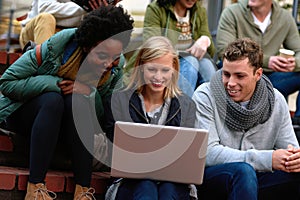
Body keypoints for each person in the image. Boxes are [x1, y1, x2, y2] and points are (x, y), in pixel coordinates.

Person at [0, 5, 133, 200]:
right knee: (53, 100)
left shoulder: (116, 69)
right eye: (102, 56)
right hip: (30, 114)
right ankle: (35, 187)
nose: (108, 64)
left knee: (76, 100)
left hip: (70, 128)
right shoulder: (57, 46)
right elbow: (7, 81)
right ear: (86, 46)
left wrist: (89, 92)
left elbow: (105, 116)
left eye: (114, 57)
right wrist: (55, 84)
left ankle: (82, 191)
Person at [193, 37, 300, 200]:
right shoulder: (205, 96)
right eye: (226, 74)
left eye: (239, 76)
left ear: (258, 74)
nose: (230, 83)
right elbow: (208, 153)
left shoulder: (276, 100)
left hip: (258, 180)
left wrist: (294, 159)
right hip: (215, 179)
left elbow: (290, 149)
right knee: (243, 171)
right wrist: (268, 159)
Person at [103, 36, 197, 200]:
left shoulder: (187, 106)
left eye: (165, 70)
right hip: (129, 182)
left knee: (168, 189)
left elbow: (185, 156)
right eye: (152, 69)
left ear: (174, 69)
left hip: (172, 182)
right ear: (140, 67)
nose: (158, 77)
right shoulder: (118, 101)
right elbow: (115, 150)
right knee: (147, 185)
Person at [216, 0, 300, 125]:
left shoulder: (285, 17)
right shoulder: (232, 12)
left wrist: (294, 63)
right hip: (238, 75)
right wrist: (267, 61)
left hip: (273, 77)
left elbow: (298, 50)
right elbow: (224, 50)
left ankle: (298, 123)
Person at [125, 0, 216, 97]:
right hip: (165, 63)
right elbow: (153, 47)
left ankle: (213, 109)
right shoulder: (156, 9)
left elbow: (211, 52)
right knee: (191, 61)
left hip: (191, 63)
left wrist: (206, 40)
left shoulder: (199, 10)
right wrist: (185, 54)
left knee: (207, 64)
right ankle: (181, 108)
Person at [19, 0, 121, 49]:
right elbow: (44, 8)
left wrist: (105, 10)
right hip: (34, 33)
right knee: (46, 18)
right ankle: (43, 64)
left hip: (68, 37)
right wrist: (85, 8)